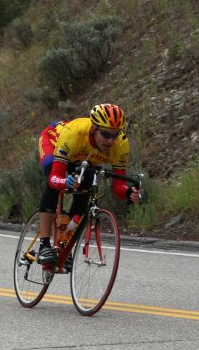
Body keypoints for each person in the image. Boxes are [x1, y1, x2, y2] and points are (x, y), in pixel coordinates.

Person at [35, 103, 142, 265]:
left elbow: (117, 187)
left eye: (115, 134)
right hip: (54, 141)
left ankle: (65, 240)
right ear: (93, 129)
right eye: (106, 134)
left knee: (86, 186)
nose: (110, 140)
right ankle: (44, 245)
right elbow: (54, 178)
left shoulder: (121, 144)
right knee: (53, 183)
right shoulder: (73, 133)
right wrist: (65, 181)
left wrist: (128, 192)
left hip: (83, 157)